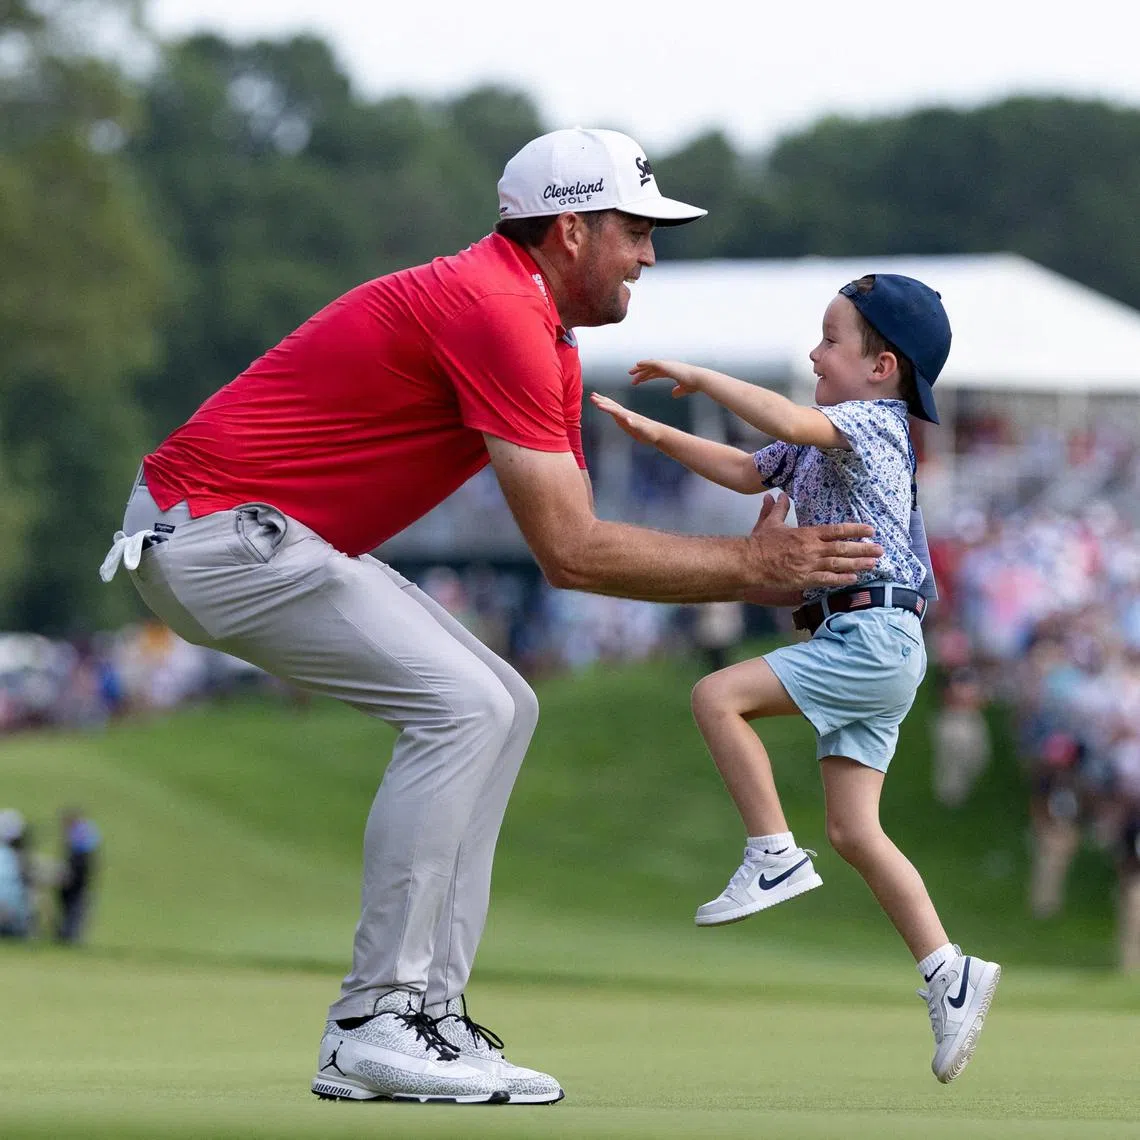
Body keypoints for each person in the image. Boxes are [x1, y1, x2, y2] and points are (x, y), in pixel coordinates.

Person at [98, 127, 882, 1106]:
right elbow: (571, 552)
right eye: (634, 230)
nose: (649, 253)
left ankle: (428, 1016)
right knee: (464, 708)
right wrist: (753, 568)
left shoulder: (539, 336)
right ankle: (373, 1018)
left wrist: (761, 571)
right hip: (212, 535)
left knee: (504, 703)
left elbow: (583, 537)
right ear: (568, 230)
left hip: (251, 537)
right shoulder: (498, 312)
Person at [592, 273, 1001, 1084]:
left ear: (882, 367)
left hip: (873, 633)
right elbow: (750, 469)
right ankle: (948, 972)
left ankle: (773, 853)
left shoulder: (874, 425)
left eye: (831, 339)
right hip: (871, 636)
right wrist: (660, 434)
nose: (814, 352)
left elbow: (781, 418)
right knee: (854, 831)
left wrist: (705, 377)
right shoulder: (819, 441)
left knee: (716, 695)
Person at [56, 809, 101, 944]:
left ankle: (69, 937)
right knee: (73, 910)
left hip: (78, 876)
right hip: (80, 875)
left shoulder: (79, 832)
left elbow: (78, 857)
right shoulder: (84, 830)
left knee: (74, 910)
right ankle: (68, 937)